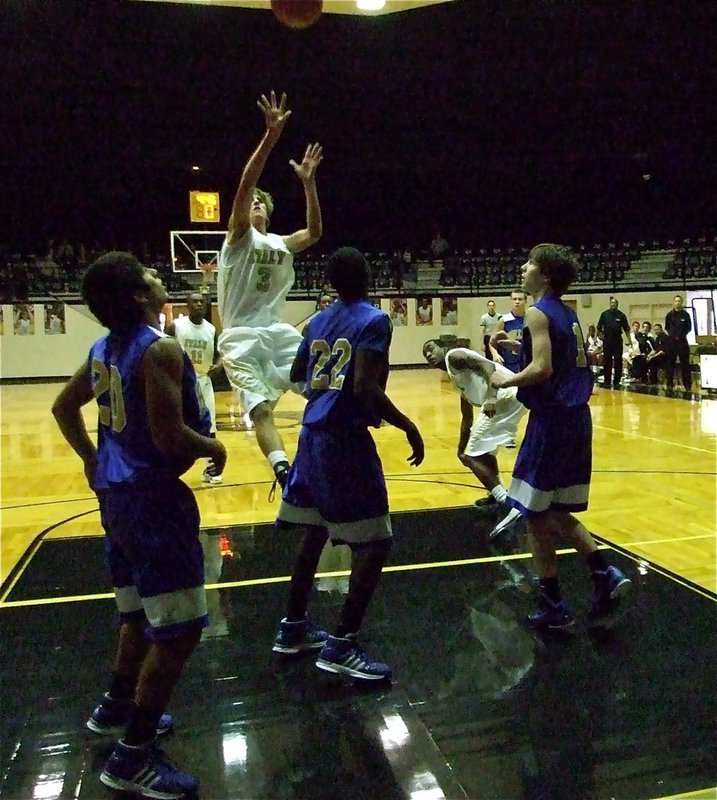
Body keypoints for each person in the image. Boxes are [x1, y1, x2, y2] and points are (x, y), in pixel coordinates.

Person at [51, 252, 226, 798]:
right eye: (149, 274)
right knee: (179, 631)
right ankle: (132, 756)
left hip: (116, 499)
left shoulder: (102, 349)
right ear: (138, 297)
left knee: (134, 613)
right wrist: (215, 444)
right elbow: (172, 437)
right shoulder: (161, 348)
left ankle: (114, 708)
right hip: (153, 502)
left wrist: (90, 460)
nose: (158, 277)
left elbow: (62, 408)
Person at [273, 247, 424, 681]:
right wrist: (407, 424)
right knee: (375, 542)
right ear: (369, 275)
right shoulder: (374, 320)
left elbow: (298, 374)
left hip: (311, 437)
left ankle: (293, 627)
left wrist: (323, 399)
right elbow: (364, 387)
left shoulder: (318, 320)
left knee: (315, 532)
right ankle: (342, 643)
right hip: (343, 443)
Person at [491, 244, 630, 629]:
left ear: (545, 275)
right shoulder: (567, 314)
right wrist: (519, 346)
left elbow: (543, 368)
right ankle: (604, 573)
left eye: (530, 263)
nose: (523, 267)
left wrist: (508, 379)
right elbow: (558, 355)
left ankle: (554, 603)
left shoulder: (536, 312)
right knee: (556, 510)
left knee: (535, 515)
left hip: (551, 422)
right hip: (576, 420)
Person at [217, 90, 323, 490]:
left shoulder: (280, 243)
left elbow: (314, 233)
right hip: (240, 336)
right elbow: (247, 182)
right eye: (252, 202)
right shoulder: (238, 239)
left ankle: (325, 453)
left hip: (277, 333)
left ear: (270, 211)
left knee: (320, 389)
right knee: (260, 410)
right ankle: (282, 470)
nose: (255, 204)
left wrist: (309, 184)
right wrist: (271, 138)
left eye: (262, 202)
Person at [422, 339, 526, 536]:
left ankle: (507, 504)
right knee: (482, 452)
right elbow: (466, 415)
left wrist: (491, 397)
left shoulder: (454, 356)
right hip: (512, 397)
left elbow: (487, 365)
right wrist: (461, 446)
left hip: (504, 395)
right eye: (424, 354)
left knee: (473, 457)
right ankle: (497, 496)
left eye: (430, 348)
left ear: (443, 347)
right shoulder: (456, 373)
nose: (428, 354)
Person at [166, 291, 224, 484]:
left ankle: (211, 471)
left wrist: (218, 365)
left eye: (202, 302)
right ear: (187, 305)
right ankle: (167, 472)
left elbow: (219, 354)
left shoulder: (211, 329)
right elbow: (162, 346)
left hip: (203, 381)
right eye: (195, 302)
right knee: (175, 426)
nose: (199, 304)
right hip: (180, 381)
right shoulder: (176, 326)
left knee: (211, 427)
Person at [596, 297, 631, 388]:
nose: (613, 304)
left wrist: (629, 340)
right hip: (607, 340)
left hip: (617, 340)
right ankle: (607, 380)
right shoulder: (604, 314)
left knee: (618, 360)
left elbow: (626, 329)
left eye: (615, 303)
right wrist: (598, 338)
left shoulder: (621, 315)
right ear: (610, 304)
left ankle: (617, 381)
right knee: (607, 360)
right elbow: (599, 328)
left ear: (617, 304)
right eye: (612, 302)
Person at [664, 294, 692, 391]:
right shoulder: (669, 315)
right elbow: (667, 328)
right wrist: (673, 336)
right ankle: (669, 384)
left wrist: (680, 335)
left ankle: (687, 385)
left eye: (679, 301)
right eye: (676, 301)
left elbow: (689, 328)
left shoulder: (686, 315)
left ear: (682, 303)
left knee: (685, 364)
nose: (677, 303)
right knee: (670, 363)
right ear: (673, 303)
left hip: (682, 342)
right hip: (671, 343)